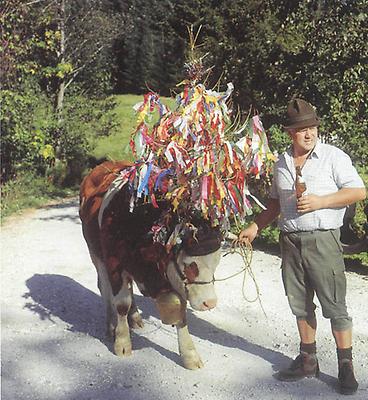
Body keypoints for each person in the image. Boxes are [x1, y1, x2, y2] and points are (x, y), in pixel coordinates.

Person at [238, 98, 366, 395]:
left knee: (335, 306)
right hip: (290, 241)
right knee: (300, 304)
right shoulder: (281, 162)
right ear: (289, 133)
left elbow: (358, 190)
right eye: (301, 129)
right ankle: (308, 359)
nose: (308, 134)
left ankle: (345, 365)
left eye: (312, 128)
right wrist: (256, 226)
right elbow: (275, 202)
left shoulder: (334, 157)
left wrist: (321, 201)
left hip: (323, 241)